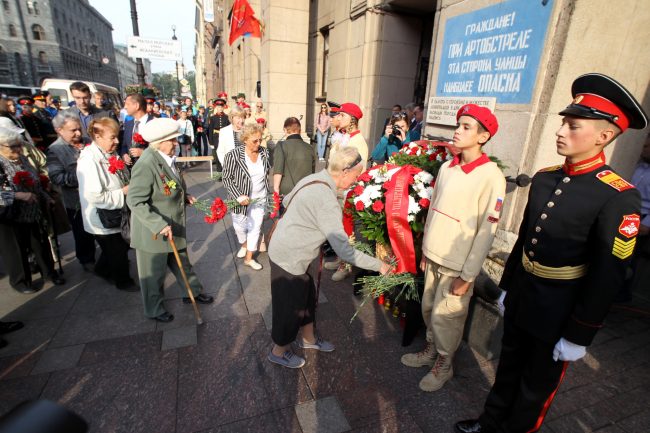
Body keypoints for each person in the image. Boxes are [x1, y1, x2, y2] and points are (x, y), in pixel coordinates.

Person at [454, 73, 647, 433]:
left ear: (604, 136)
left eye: (573, 126)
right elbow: (525, 239)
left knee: (534, 388)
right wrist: (508, 287)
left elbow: (609, 275)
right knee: (508, 367)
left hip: (561, 309)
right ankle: (490, 422)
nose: (560, 131)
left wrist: (580, 334)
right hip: (525, 295)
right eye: (563, 122)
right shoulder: (545, 178)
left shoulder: (618, 196)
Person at [400, 104, 505, 392]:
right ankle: (431, 352)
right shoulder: (448, 166)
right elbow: (434, 209)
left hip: (457, 264)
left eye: (466, 127)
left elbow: (487, 229)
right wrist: (424, 250)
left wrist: (469, 275)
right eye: (458, 125)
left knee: (448, 317)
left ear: (483, 137)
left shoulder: (491, 176)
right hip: (434, 255)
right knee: (429, 308)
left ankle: (444, 364)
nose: (457, 131)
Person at [267, 147, 392, 368]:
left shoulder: (315, 178)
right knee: (290, 306)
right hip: (289, 255)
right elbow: (345, 252)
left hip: (291, 248)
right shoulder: (326, 199)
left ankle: (309, 340)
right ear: (344, 171)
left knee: (306, 297)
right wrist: (379, 264)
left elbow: (286, 203)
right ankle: (279, 351)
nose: (356, 180)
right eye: (356, 174)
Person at [127, 118, 214, 322]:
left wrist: (185, 195)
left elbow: (172, 183)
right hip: (153, 231)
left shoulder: (164, 158)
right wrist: (158, 224)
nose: (176, 143)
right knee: (153, 275)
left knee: (182, 263)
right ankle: (154, 309)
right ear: (159, 142)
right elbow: (135, 201)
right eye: (172, 141)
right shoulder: (146, 164)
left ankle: (192, 291)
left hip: (172, 224)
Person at [0, 127, 64, 294]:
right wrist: (18, 195)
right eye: (13, 146)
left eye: (19, 145)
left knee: (40, 242)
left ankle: (49, 273)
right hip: (10, 214)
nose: (18, 149)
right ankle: (21, 281)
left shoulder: (22, 159)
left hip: (33, 209)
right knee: (16, 249)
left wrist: (46, 196)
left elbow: (35, 182)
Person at [77, 117, 136, 291]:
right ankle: (123, 281)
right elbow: (95, 196)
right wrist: (123, 192)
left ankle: (102, 269)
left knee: (119, 246)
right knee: (117, 248)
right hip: (104, 216)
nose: (117, 141)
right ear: (98, 137)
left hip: (117, 212)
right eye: (112, 137)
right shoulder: (89, 159)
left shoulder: (109, 152)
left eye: (117, 136)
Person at [46, 111, 96, 271]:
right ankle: (87, 259)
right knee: (82, 234)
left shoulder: (89, 142)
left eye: (79, 129)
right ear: (59, 130)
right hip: (76, 202)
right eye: (73, 130)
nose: (78, 133)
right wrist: (84, 176)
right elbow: (57, 178)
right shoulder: (55, 150)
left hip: (98, 196)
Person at [222, 123, 271, 270]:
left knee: (255, 228)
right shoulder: (233, 155)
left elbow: (265, 174)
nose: (259, 143)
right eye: (254, 141)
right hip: (240, 200)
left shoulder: (264, 153)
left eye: (260, 140)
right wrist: (239, 196)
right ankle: (244, 243)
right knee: (240, 227)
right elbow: (226, 178)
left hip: (259, 198)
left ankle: (249, 258)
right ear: (245, 140)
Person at [273, 117, 315, 197]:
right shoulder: (310, 148)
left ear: (285, 130)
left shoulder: (281, 146)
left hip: (287, 193)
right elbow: (312, 173)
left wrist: (276, 190)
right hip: (305, 191)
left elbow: (278, 170)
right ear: (300, 130)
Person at [334, 102, 368, 168]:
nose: (338, 118)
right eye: (339, 115)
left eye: (342, 115)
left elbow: (359, 170)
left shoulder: (358, 142)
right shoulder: (342, 137)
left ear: (352, 118)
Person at [207, 98, 230, 171]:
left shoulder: (227, 117)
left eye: (221, 107)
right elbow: (210, 130)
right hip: (216, 138)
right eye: (218, 107)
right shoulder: (213, 118)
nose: (220, 108)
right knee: (217, 154)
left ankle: (225, 170)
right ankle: (219, 171)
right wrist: (211, 142)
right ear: (216, 107)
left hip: (225, 137)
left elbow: (229, 129)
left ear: (223, 107)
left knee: (225, 153)